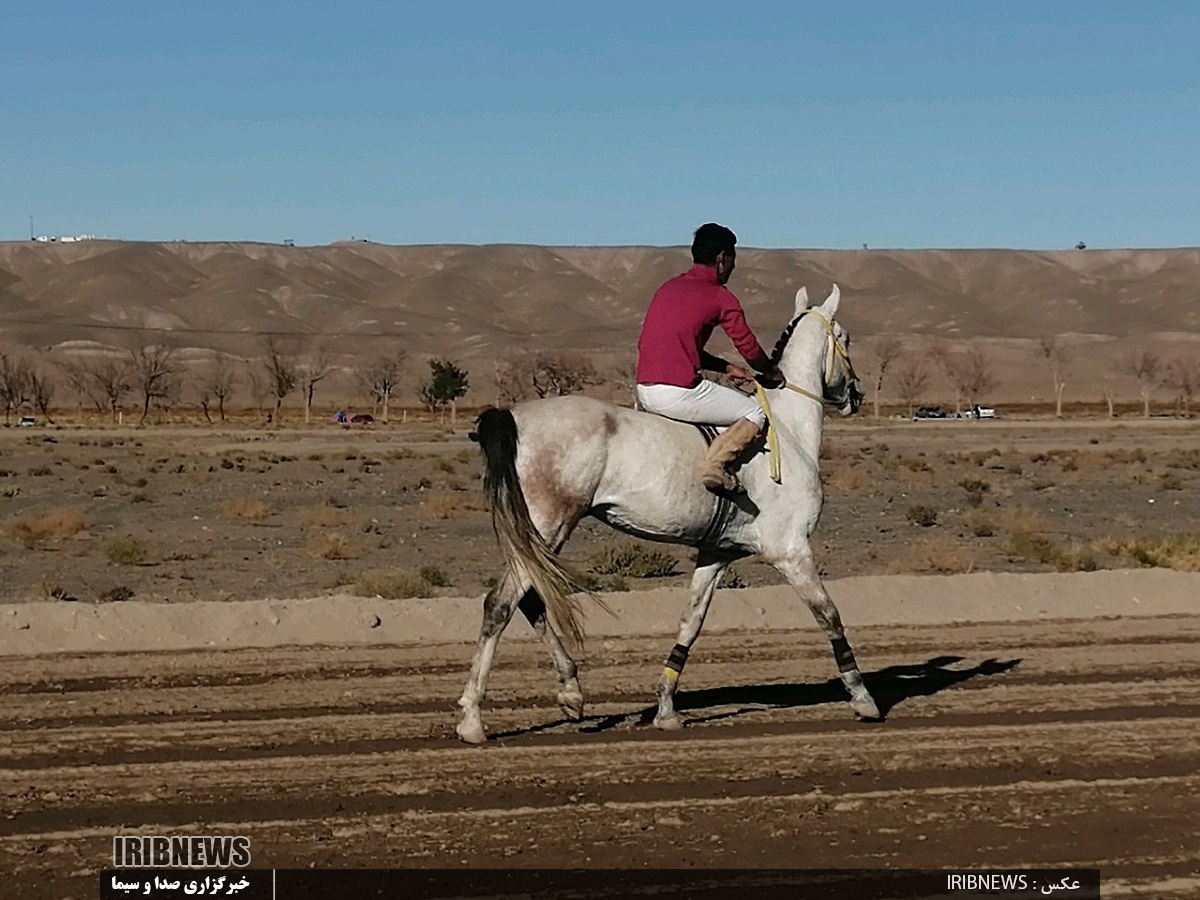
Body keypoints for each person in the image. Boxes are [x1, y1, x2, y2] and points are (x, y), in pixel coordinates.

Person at [636, 223, 784, 492]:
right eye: (733, 259)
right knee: (755, 411)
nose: (732, 266)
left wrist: (726, 367)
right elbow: (747, 345)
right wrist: (771, 372)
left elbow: (677, 346)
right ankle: (714, 467)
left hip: (645, 389)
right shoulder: (720, 296)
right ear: (721, 259)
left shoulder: (668, 288)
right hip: (676, 391)